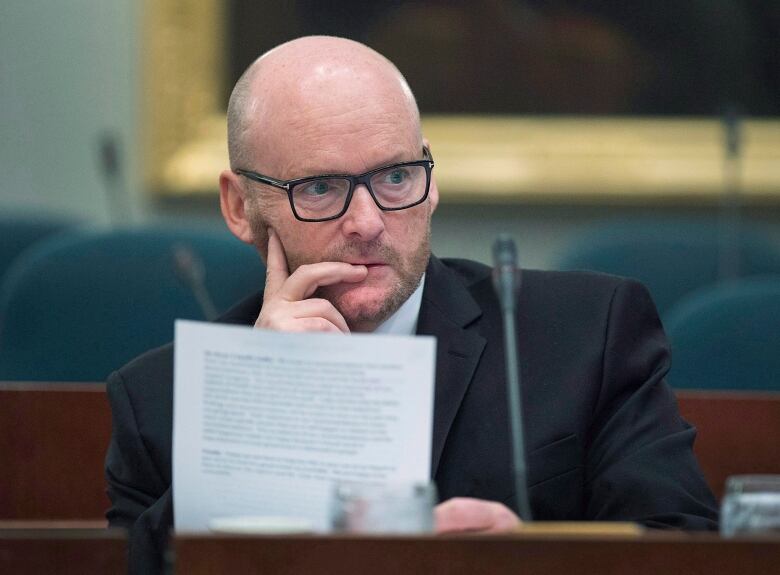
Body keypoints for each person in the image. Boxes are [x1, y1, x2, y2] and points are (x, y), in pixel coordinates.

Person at [105, 36, 718, 574]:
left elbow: (688, 551)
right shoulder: (160, 401)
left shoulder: (588, 334)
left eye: (396, 177)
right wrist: (262, 405)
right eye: (320, 188)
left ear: (431, 179)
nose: (368, 223)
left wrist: (540, 558)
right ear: (241, 207)